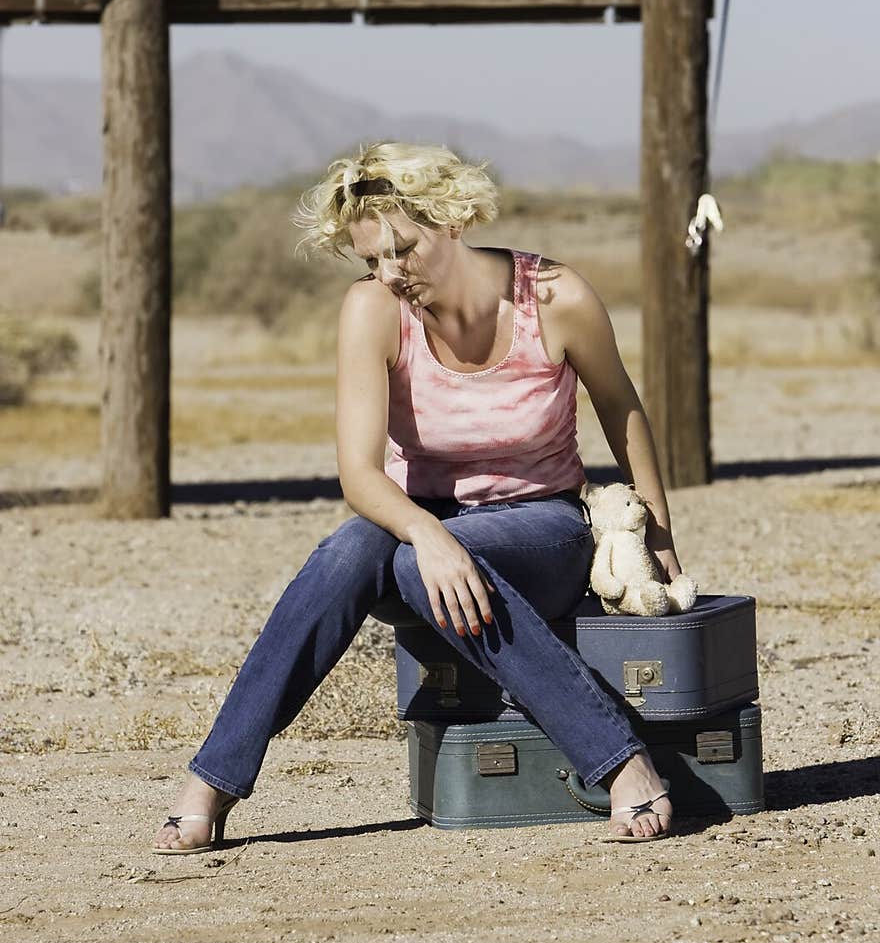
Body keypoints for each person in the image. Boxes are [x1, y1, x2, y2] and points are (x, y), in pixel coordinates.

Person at [153, 142, 689, 852]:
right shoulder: (372, 311)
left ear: (453, 220)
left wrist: (659, 548)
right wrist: (431, 534)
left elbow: (623, 412)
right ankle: (215, 777)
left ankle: (621, 759)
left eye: (403, 249)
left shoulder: (554, 297)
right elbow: (359, 475)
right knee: (359, 548)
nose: (389, 273)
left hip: (545, 529)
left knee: (407, 558)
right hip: (423, 530)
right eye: (372, 258)